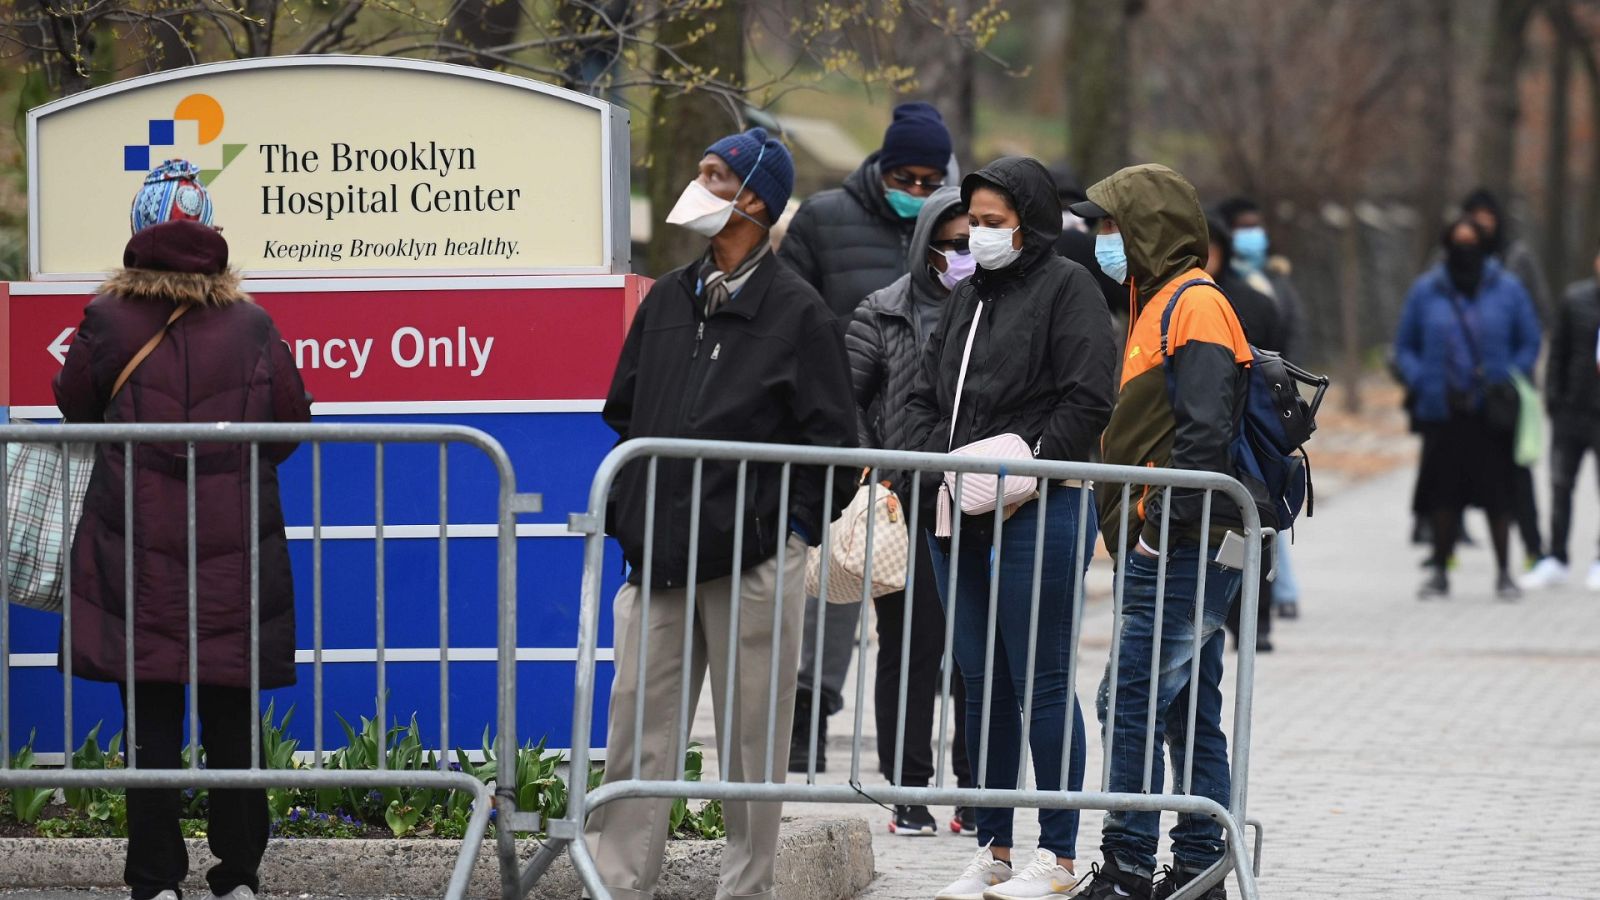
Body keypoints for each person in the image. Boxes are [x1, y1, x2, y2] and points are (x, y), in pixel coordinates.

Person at [585, 127, 858, 900]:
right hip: (660, 558)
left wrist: (792, 536)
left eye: (715, 174)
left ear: (755, 199)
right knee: (638, 732)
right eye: (702, 169)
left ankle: (747, 888)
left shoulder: (800, 312)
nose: (698, 185)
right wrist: (639, 519)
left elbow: (833, 441)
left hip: (753, 561)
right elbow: (625, 409)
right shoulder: (668, 298)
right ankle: (618, 883)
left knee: (751, 742)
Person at [54, 160, 312, 900]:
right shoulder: (254, 323)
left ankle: (155, 880)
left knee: (151, 723)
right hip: (235, 548)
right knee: (234, 721)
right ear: (211, 233)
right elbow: (291, 427)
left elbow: (76, 404)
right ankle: (237, 877)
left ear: (140, 229)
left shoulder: (107, 318)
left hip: (136, 552)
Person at [905, 157, 1117, 900]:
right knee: (980, 681)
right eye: (975, 224)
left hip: (1040, 505)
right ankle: (994, 847)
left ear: (1029, 220)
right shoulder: (968, 297)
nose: (982, 237)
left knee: (1044, 682)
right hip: (956, 511)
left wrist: (1023, 463)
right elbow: (927, 394)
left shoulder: (1070, 289)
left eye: (996, 223)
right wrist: (944, 465)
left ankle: (1058, 857)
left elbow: (1088, 397)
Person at [1069, 164, 1252, 900]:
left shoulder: (1195, 306)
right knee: (1184, 705)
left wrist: (1153, 530)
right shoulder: (1160, 304)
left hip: (1182, 548)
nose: (1103, 239)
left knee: (1131, 701)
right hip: (1181, 544)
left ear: (1149, 229)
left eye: (1113, 225)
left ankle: (1127, 869)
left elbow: (1203, 436)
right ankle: (1203, 864)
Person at [779, 101, 955, 773]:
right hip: (841, 435)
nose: (915, 191)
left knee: (907, 611)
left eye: (928, 179)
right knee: (835, 586)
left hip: (920, 456)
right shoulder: (825, 220)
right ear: (881, 166)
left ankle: (906, 761)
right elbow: (794, 321)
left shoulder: (952, 236)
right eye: (903, 176)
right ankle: (806, 716)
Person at [845, 185, 976, 836]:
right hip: (908, 503)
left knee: (981, 650)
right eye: (954, 244)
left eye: (975, 241)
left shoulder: (998, 310)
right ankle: (908, 789)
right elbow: (849, 402)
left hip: (983, 500)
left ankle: (980, 791)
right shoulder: (883, 311)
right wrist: (880, 471)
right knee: (910, 650)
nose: (966, 255)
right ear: (928, 247)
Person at [1394, 218, 1541, 601]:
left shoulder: (1507, 289)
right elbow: (1404, 345)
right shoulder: (1427, 291)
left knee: (1499, 496)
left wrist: (1511, 376)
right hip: (1443, 412)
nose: (1466, 249)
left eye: (1472, 242)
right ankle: (1440, 569)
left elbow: (1530, 339)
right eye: (1458, 242)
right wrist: (1421, 377)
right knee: (1443, 494)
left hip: (1491, 413)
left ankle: (1504, 572)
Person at [1460, 188, 1548, 569]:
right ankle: (1444, 549)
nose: (1481, 224)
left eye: (1488, 216)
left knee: (1517, 469)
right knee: (1455, 466)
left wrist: (1516, 369)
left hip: (1507, 387)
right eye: (1474, 216)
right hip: (1463, 385)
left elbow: (1537, 318)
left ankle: (1532, 546)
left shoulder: (1517, 261)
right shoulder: (1449, 264)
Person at [1205, 215, 1281, 654]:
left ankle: (1260, 617)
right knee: (1221, 536)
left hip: (1253, 433)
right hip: (1216, 436)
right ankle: (1228, 616)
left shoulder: (1253, 302)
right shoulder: (1188, 303)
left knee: (1258, 528)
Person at [1523, 246, 1600, 591]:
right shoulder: (1575, 299)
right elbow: (1557, 353)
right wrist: (1553, 400)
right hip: (1572, 411)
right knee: (1560, 485)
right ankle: (1556, 557)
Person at [1216, 196, 1304, 360]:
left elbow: (1293, 333)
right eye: (1244, 227)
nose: (1253, 233)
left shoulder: (1276, 279)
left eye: (1256, 226)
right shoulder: (1217, 282)